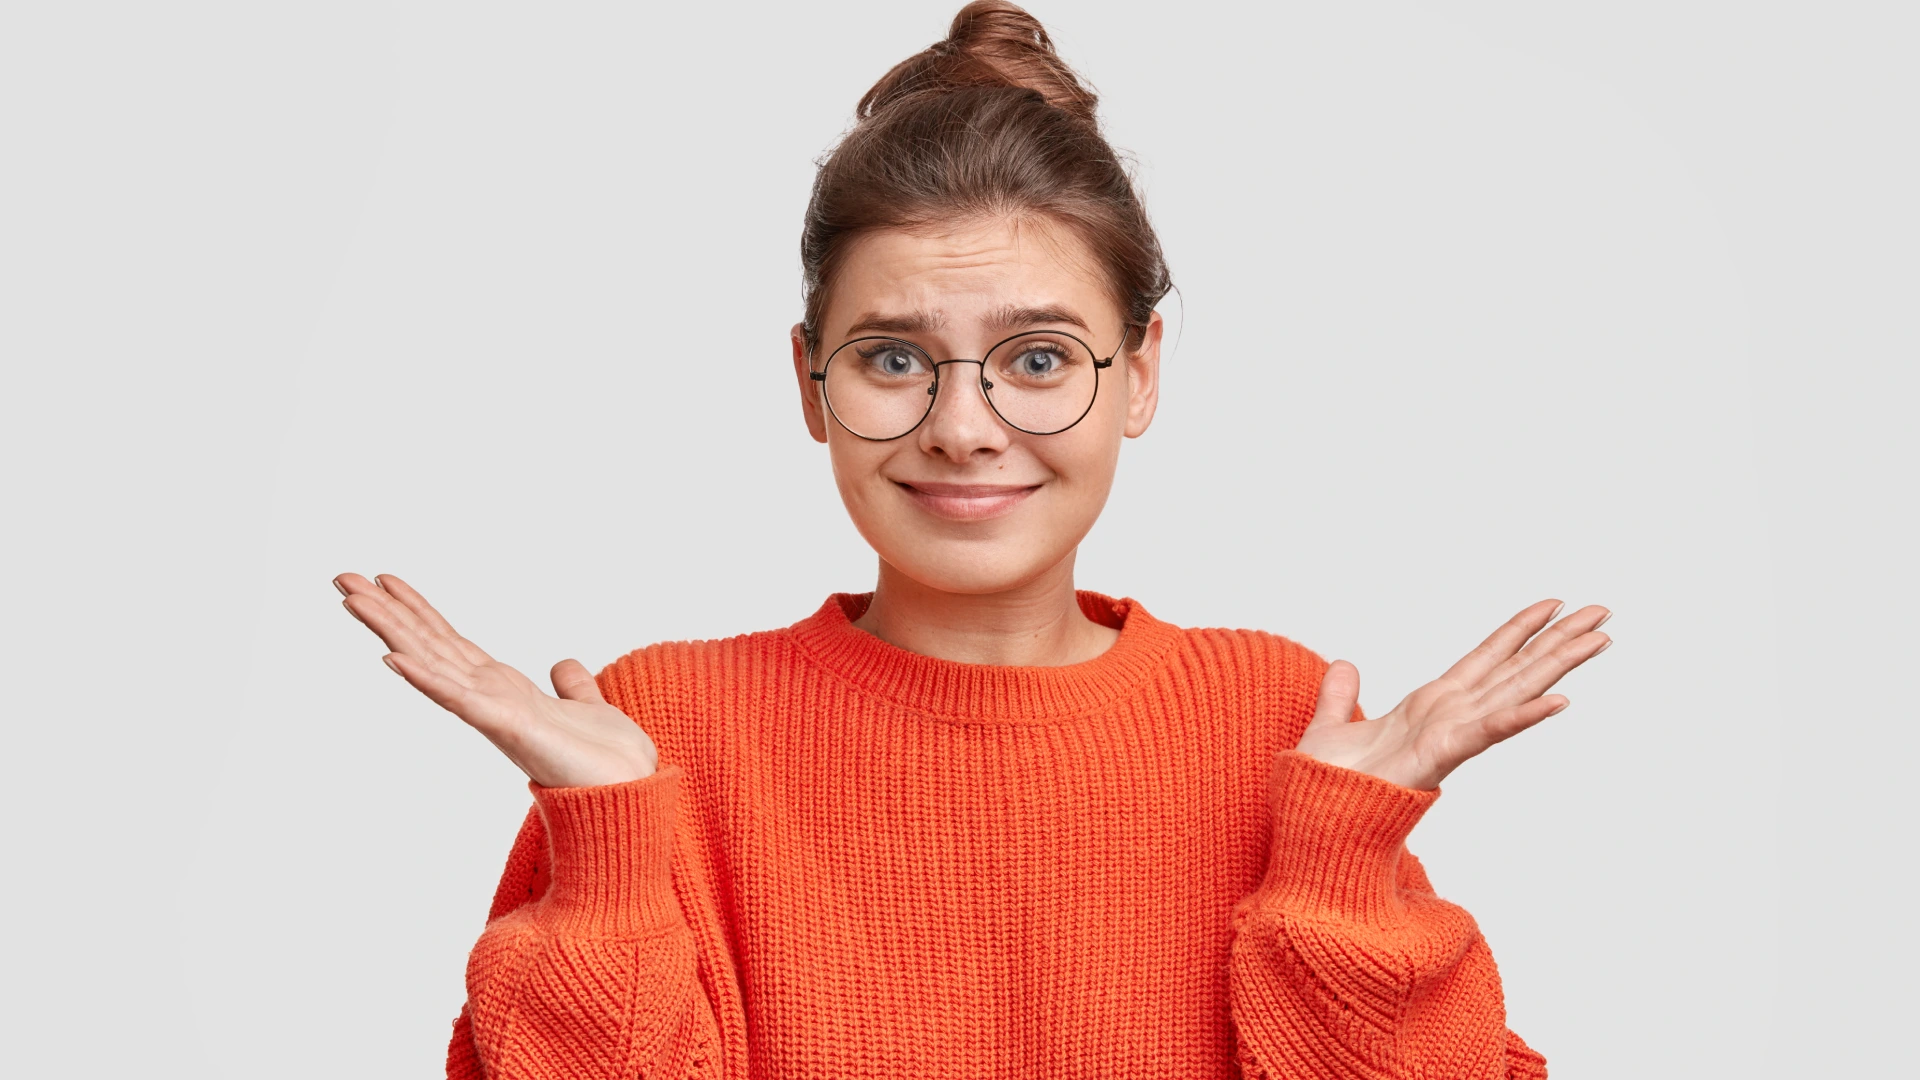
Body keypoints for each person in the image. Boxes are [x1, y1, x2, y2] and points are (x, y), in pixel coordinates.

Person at [337, 3, 1610, 1076]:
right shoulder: (659, 734)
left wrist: (1340, 870)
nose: (962, 427)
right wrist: (611, 850)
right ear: (808, 381)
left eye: (1039, 358)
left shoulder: (1281, 720)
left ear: (1142, 373)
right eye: (895, 358)